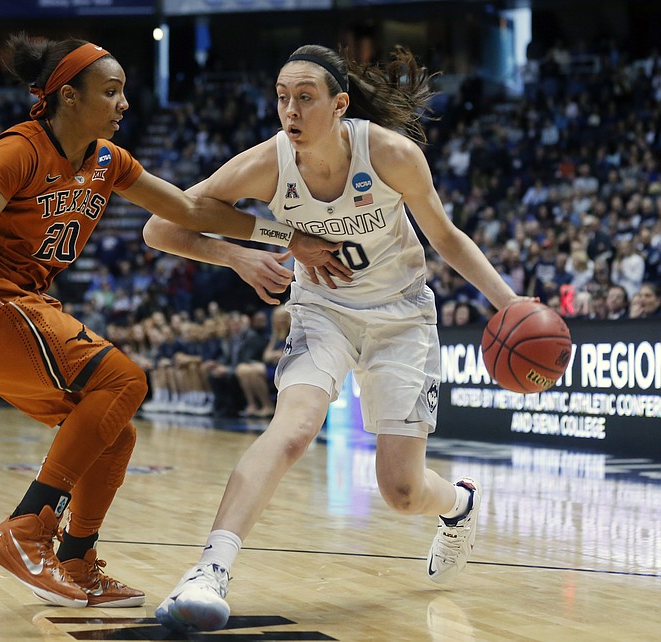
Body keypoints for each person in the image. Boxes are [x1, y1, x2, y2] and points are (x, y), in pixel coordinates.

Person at [0, 33, 340, 610]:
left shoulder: (106, 161)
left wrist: (285, 235)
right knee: (124, 379)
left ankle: (76, 559)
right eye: (110, 92)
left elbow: (191, 211)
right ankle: (27, 528)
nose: (123, 104)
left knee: (116, 428)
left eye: (124, 92)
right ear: (69, 97)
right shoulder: (18, 151)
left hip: (18, 310)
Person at [143, 44, 532, 631]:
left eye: (305, 98)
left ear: (339, 104)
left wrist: (511, 305)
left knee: (400, 491)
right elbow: (160, 225)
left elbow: (446, 239)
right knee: (294, 430)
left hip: (402, 317)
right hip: (323, 310)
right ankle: (210, 570)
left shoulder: (391, 154)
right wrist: (245, 255)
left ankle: (459, 504)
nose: (290, 111)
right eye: (281, 98)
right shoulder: (268, 163)